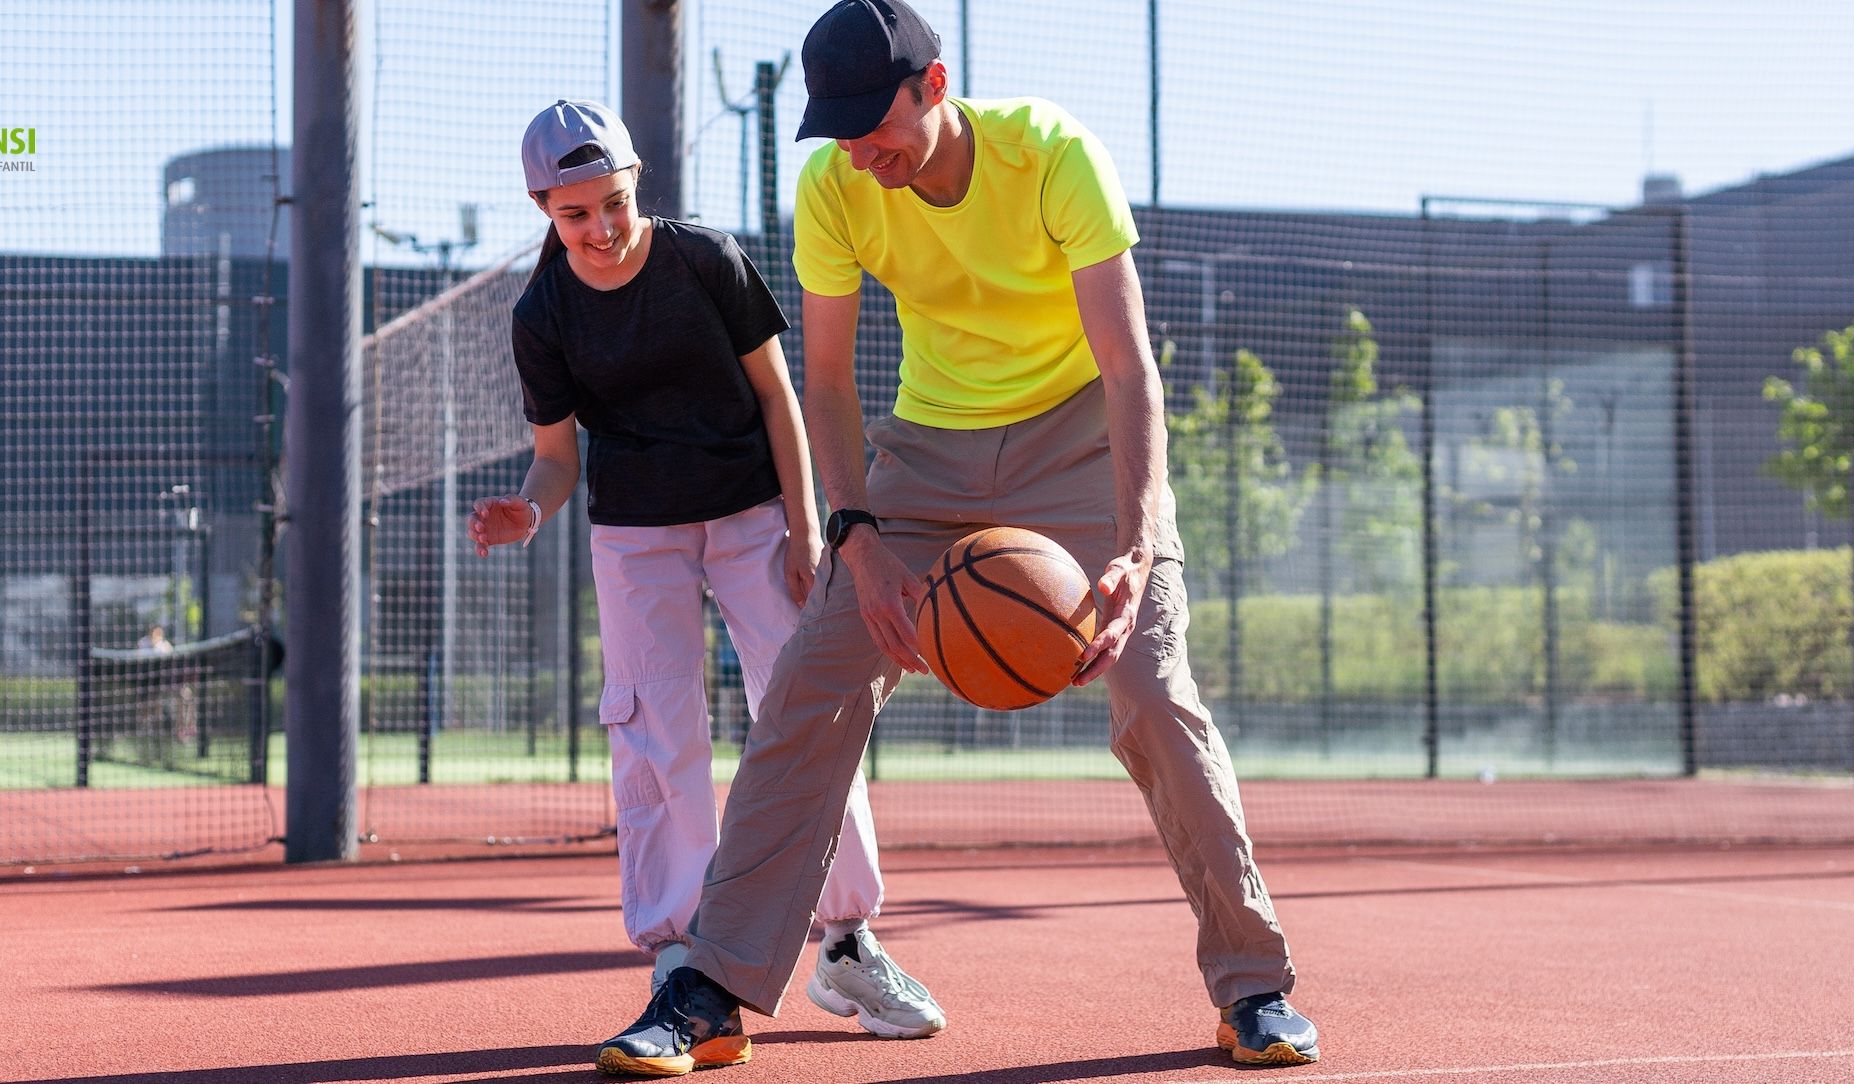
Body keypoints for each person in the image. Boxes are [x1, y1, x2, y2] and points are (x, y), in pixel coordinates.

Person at [596, 0, 1319, 1074]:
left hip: (1081, 441)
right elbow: (830, 382)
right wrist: (859, 537)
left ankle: (1254, 986)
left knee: (1157, 693)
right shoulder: (836, 187)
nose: (858, 150)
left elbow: (1128, 368)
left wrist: (1134, 539)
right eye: (835, 129)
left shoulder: (1054, 154)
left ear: (934, 89)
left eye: (872, 123)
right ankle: (712, 989)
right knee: (806, 689)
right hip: (929, 453)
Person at [471, 99, 945, 1069]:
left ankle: (846, 939)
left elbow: (780, 393)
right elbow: (555, 458)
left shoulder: (706, 262)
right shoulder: (543, 314)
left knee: (808, 709)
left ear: (635, 185)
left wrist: (807, 528)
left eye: (611, 203)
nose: (599, 230)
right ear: (543, 211)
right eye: (574, 215)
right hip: (634, 530)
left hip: (751, 515)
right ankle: (685, 959)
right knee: (656, 729)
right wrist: (529, 508)